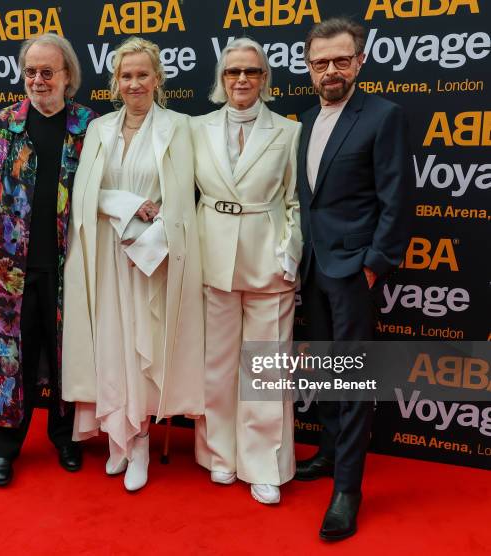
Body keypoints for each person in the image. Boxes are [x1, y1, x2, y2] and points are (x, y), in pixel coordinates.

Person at [61, 37, 204, 492]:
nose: (134, 83)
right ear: (115, 82)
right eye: (126, 76)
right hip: (106, 252)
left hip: (151, 257)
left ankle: (139, 440)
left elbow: (183, 199)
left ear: (158, 79)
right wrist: (126, 202)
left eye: (143, 75)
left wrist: (154, 230)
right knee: (112, 346)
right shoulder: (100, 128)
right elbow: (85, 194)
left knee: (144, 347)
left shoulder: (179, 126)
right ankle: (117, 443)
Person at [295, 18, 412, 540]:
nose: (331, 71)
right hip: (312, 265)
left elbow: (396, 198)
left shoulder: (382, 116)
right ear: (309, 67)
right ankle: (326, 451)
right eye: (321, 63)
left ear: (359, 62)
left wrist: (374, 264)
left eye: (341, 61)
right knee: (322, 368)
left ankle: (348, 489)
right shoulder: (303, 121)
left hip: (352, 271)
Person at [0, 33, 97, 487]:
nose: (38, 80)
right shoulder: (4, 123)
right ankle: (4, 448)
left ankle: (66, 439)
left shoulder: (88, 125)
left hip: (71, 265)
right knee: (9, 358)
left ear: (68, 77)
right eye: (31, 71)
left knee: (68, 357)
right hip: (11, 268)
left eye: (48, 72)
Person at [191, 38, 302, 505]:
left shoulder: (289, 132)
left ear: (265, 79)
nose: (242, 79)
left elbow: (296, 201)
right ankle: (220, 456)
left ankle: (263, 465)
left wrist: (289, 251)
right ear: (221, 78)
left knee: (267, 366)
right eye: (233, 71)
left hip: (267, 258)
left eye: (251, 72)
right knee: (215, 367)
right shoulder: (193, 129)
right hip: (210, 256)